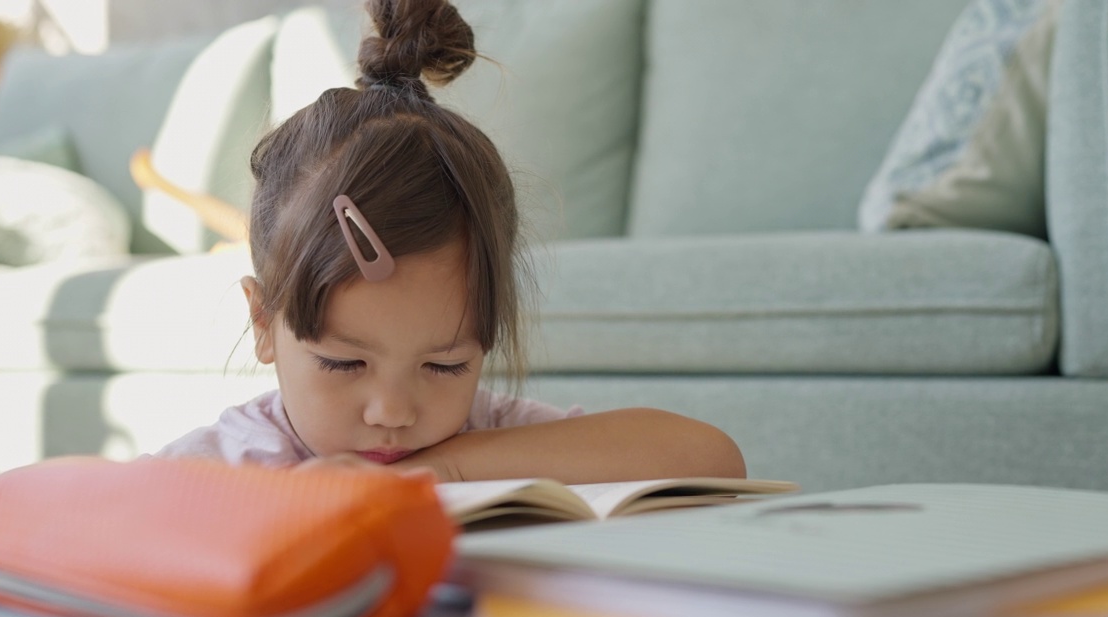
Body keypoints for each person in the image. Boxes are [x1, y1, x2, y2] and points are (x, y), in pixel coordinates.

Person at [156, 0, 745, 484]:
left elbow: (712, 460)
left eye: (444, 366)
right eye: (343, 361)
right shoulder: (227, 466)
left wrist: (449, 467)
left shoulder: (487, 435)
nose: (393, 412)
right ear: (263, 322)